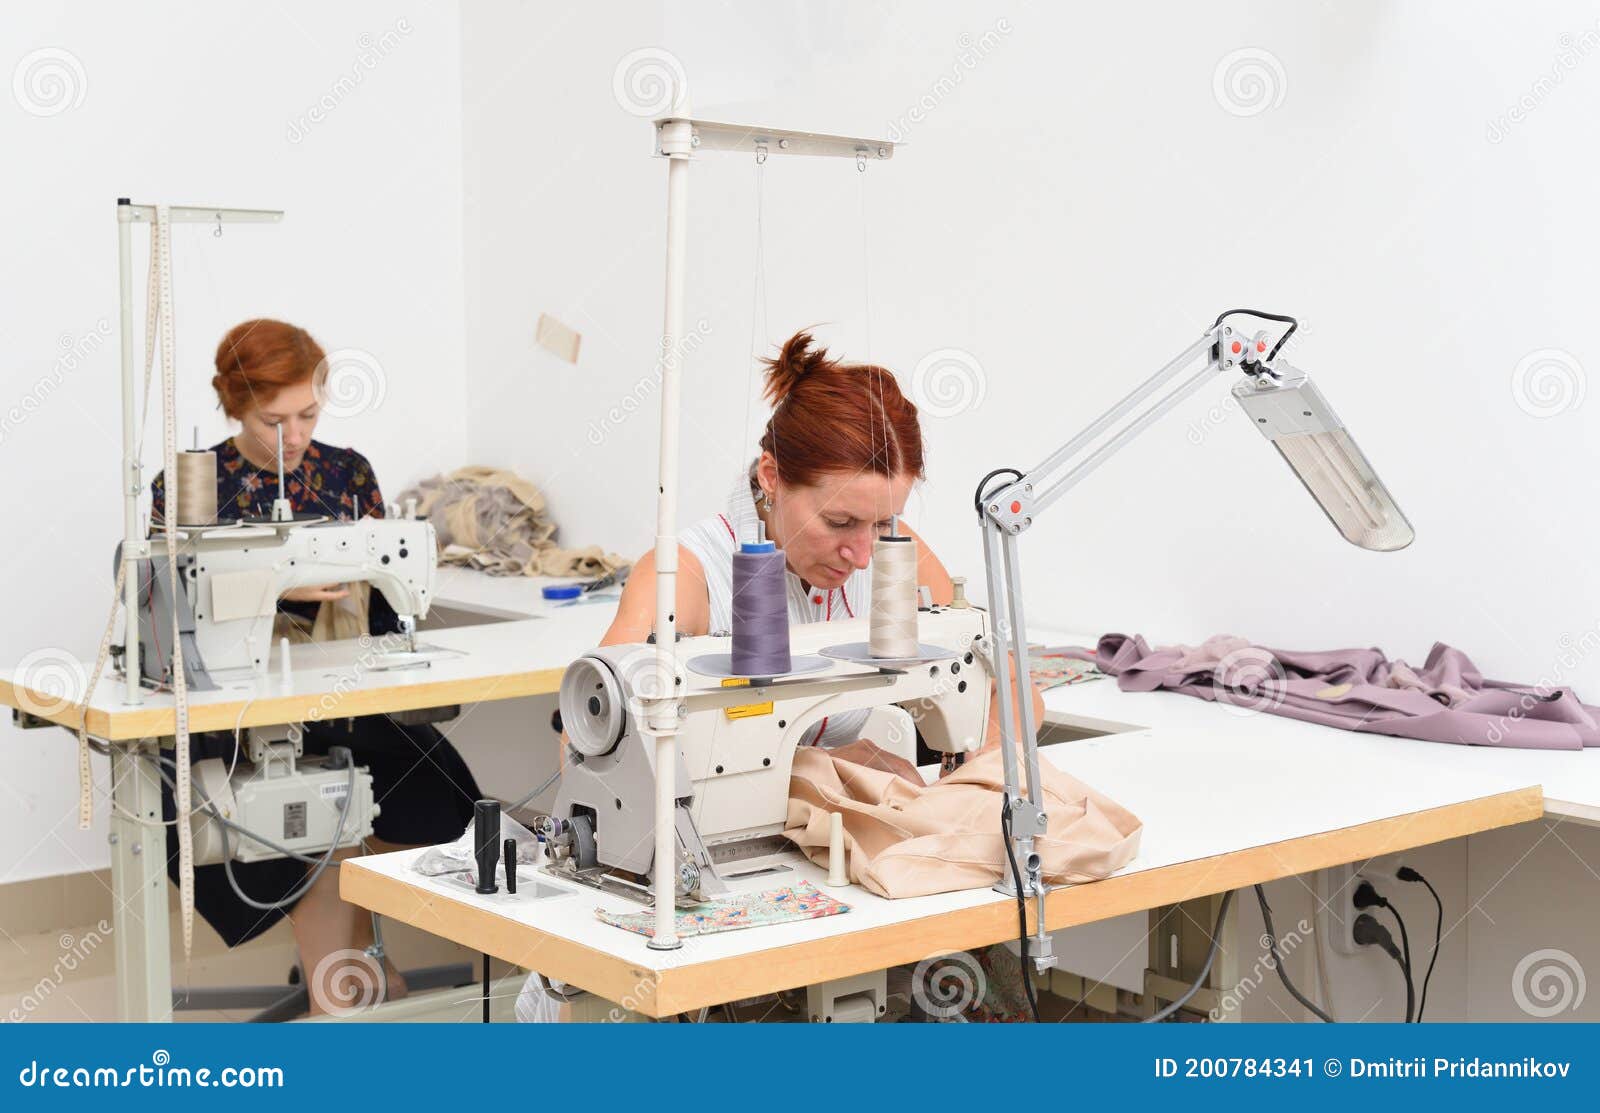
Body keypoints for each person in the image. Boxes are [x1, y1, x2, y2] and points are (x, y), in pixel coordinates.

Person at [515, 329, 1045, 1022]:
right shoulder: (690, 575)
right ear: (769, 477)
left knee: (993, 989)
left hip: (832, 888)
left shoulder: (891, 558)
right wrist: (812, 777)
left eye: (885, 520)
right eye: (840, 520)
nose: (862, 552)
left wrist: (964, 794)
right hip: (696, 903)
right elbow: (590, 746)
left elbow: (1013, 694)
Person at [150, 319, 482, 1015]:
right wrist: (273, 585)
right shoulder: (191, 486)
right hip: (238, 716)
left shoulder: (347, 473)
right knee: (302, 800)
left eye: (307, 414)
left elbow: (389, 613)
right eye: (273, 419)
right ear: (232, 403)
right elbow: (162, 621)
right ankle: (345, 975)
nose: (294, 435)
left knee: (430, 776)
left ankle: (346, 963)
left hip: (341, 700)